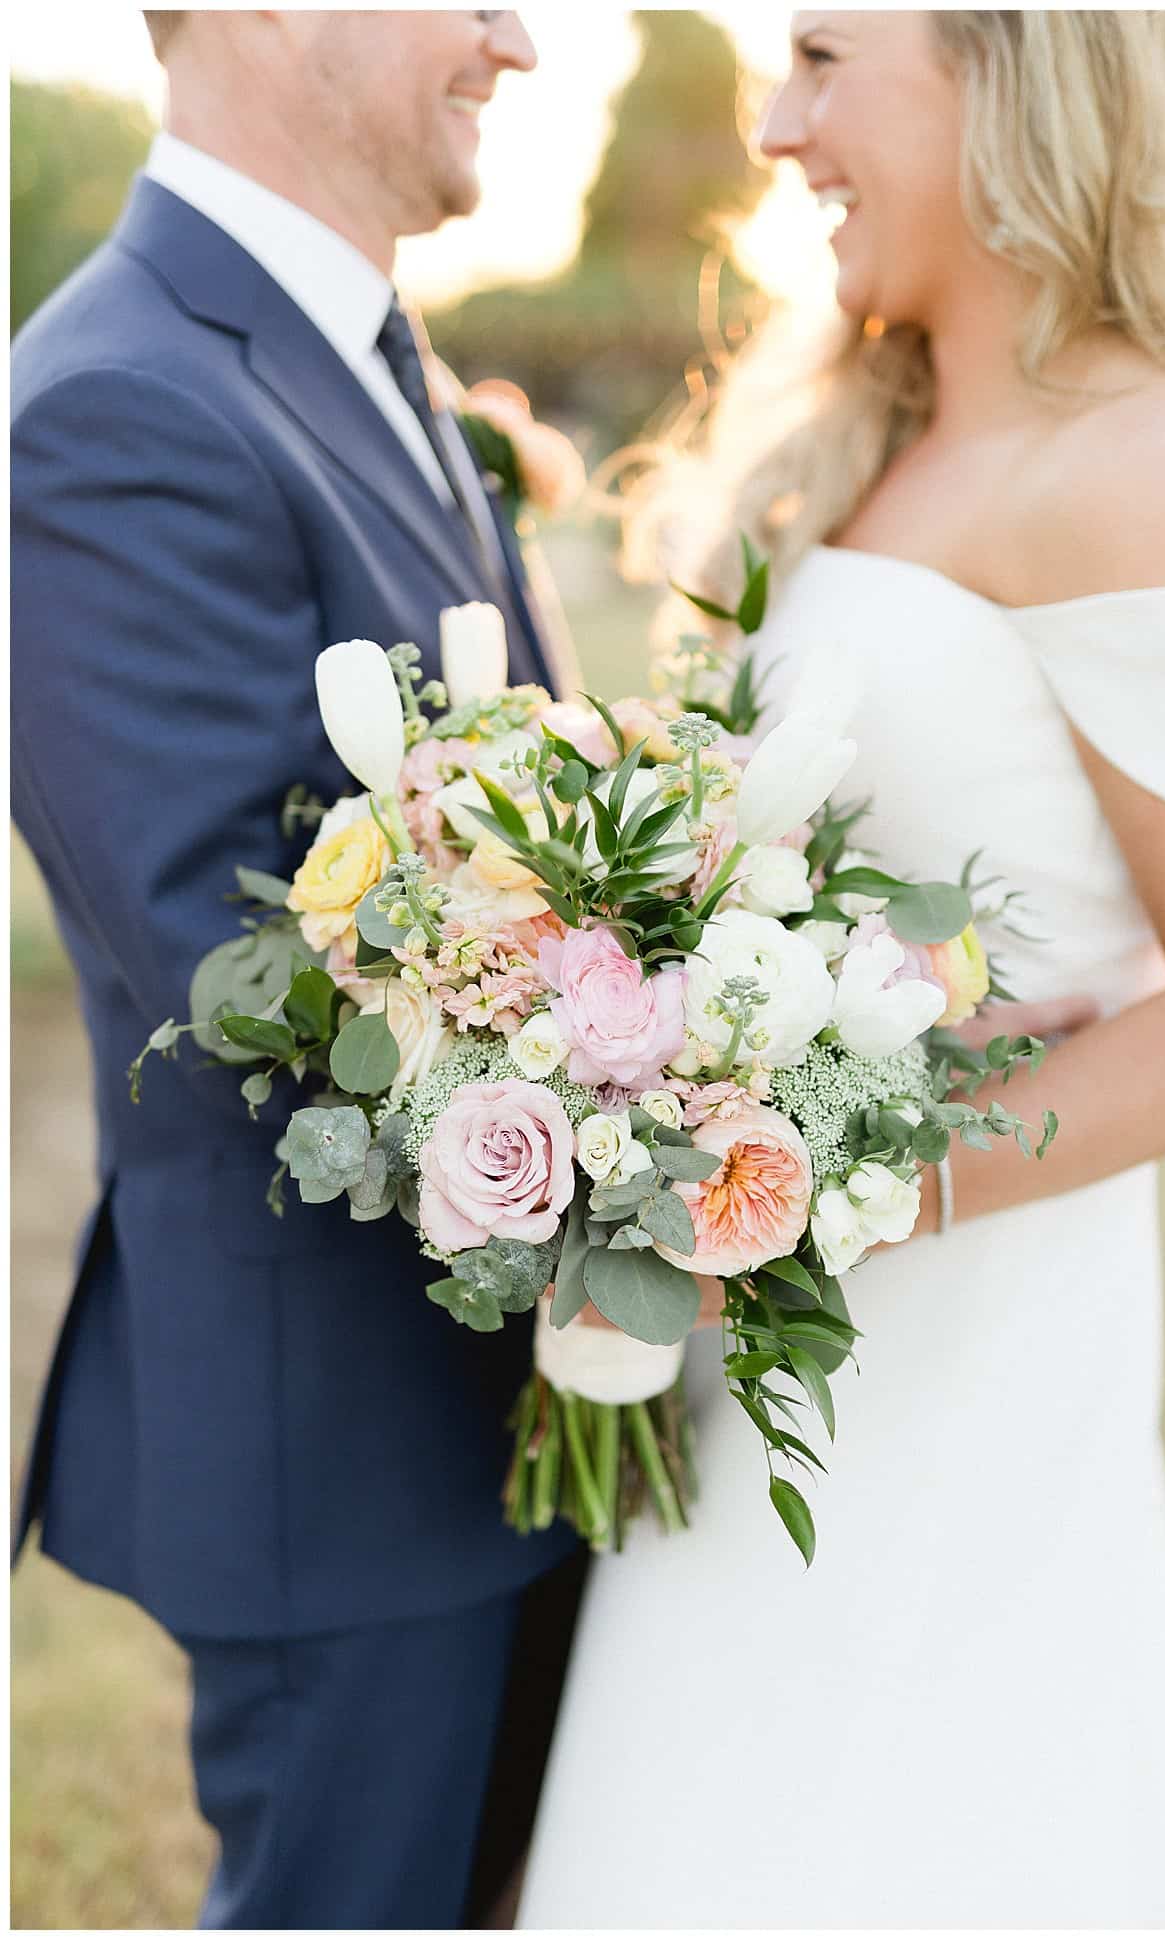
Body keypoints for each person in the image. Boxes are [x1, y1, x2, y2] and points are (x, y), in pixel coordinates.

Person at [518, 11, 1165, 1926]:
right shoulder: (883, 427)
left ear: (1011, 67)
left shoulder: (1151, 460)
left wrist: (820, 1187)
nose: (779, 131)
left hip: (964, 1381)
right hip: (745, 1379)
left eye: (825, 59)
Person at [11, 10, 586, 1928]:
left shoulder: (385, 363)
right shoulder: (112, 403)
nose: (514, 39)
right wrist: (664, 1084)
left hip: (504, 1404)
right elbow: (225, 976)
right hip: (333, 1446)